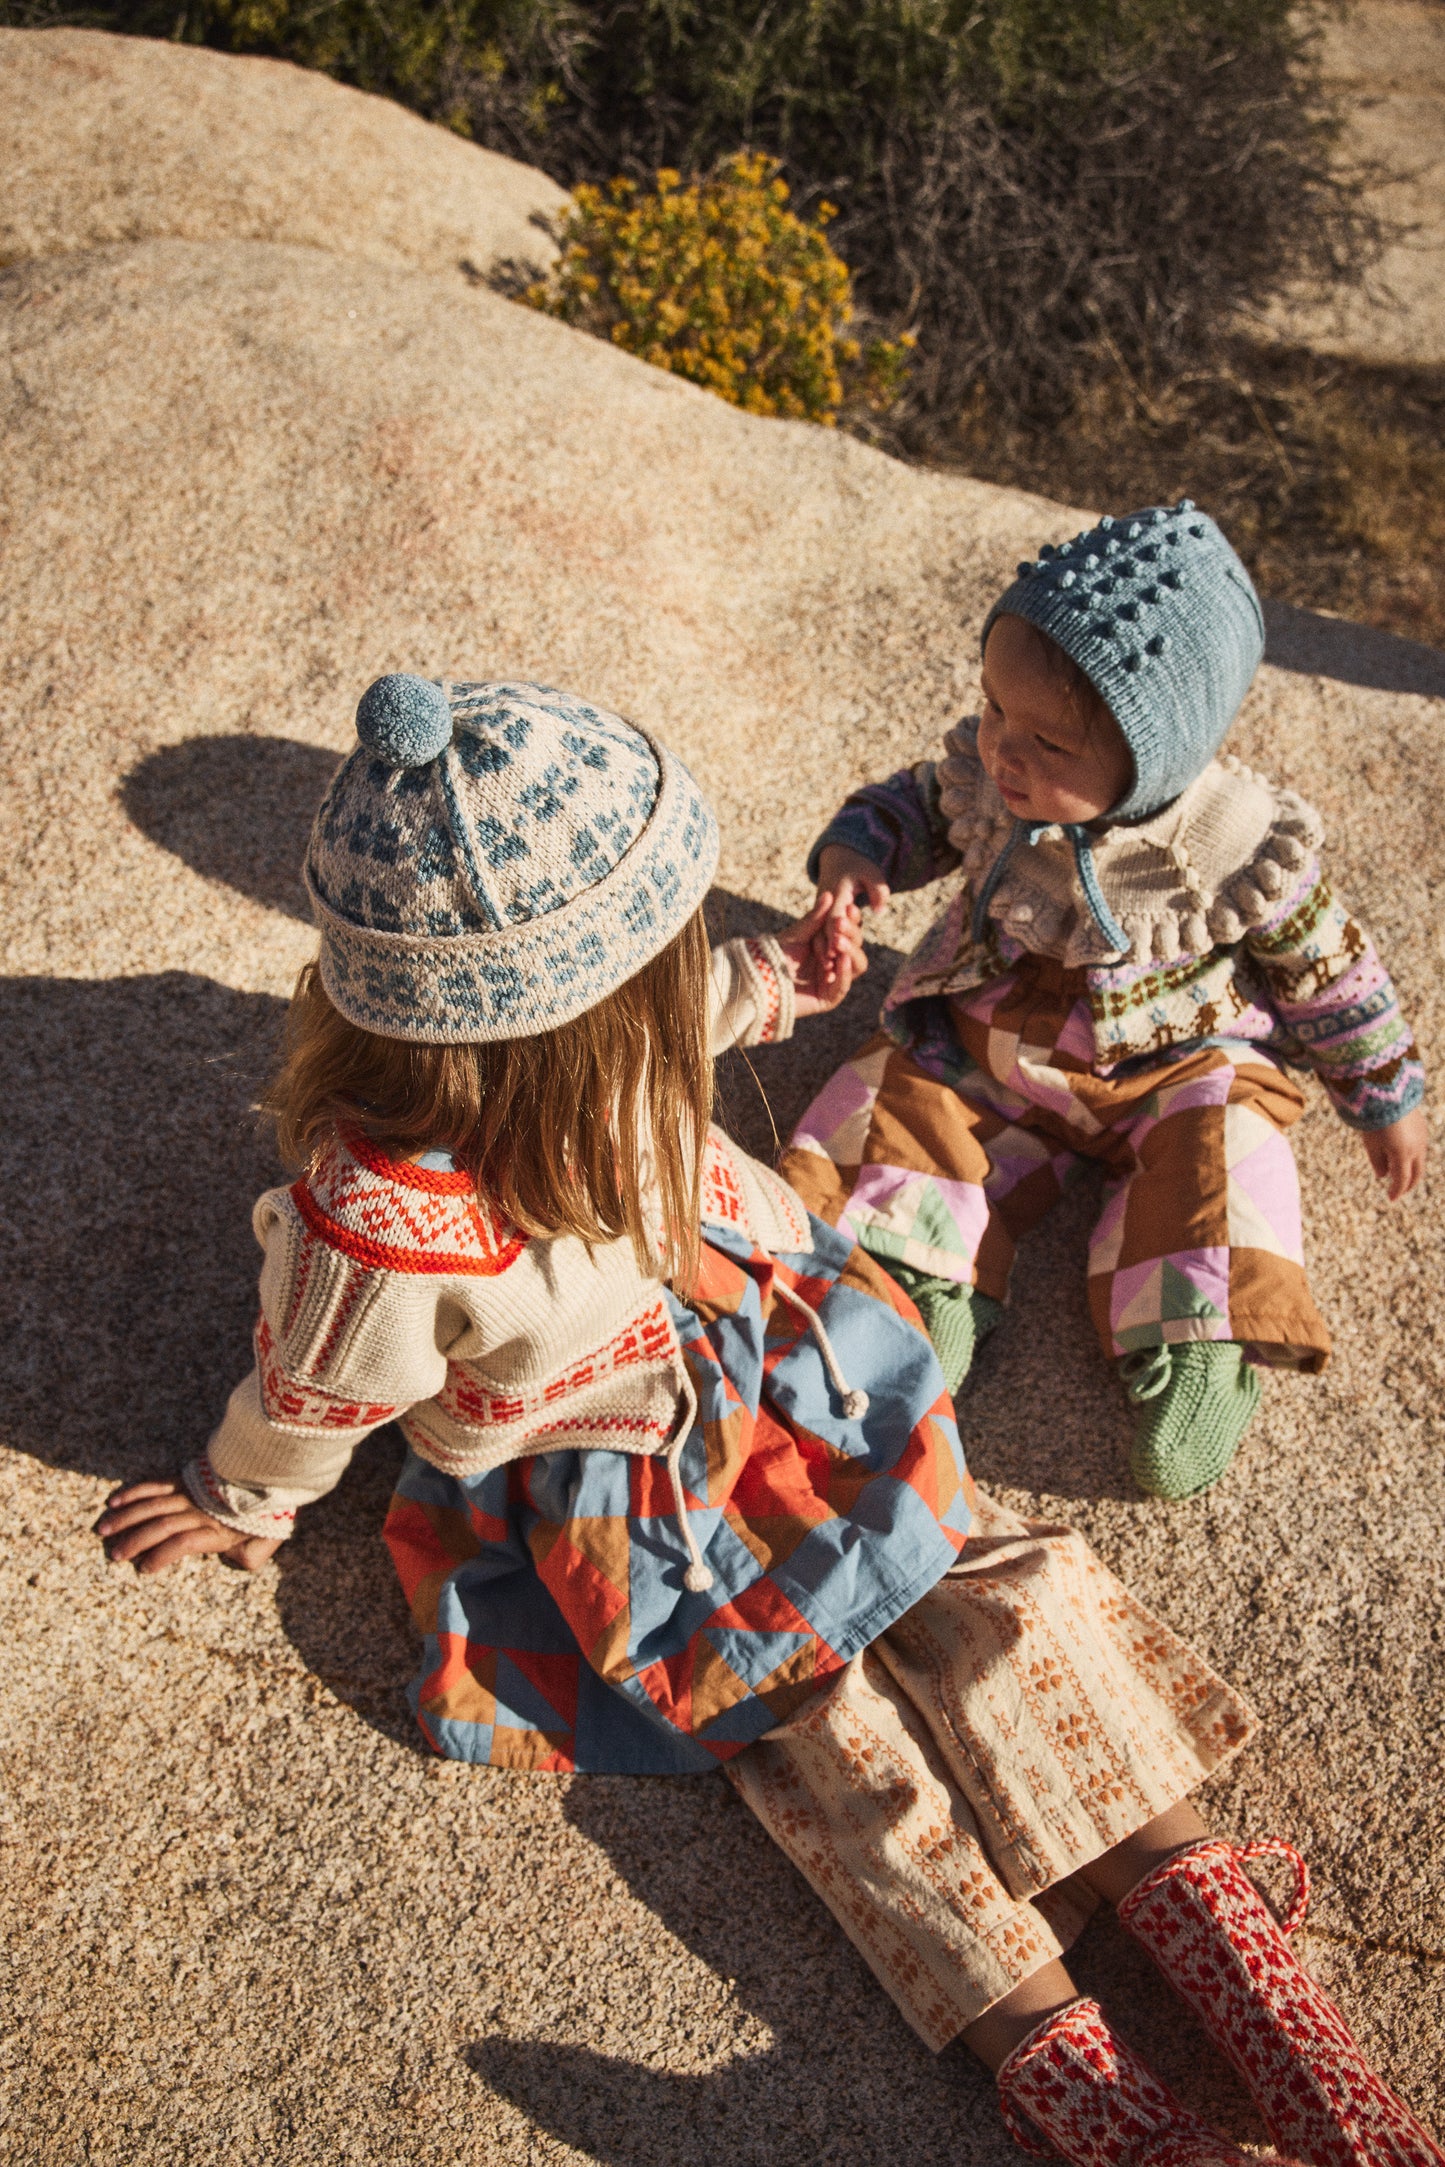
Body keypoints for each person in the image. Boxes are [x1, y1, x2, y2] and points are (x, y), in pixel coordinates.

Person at [96, 676, 1440, 2166]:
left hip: (669, 1448)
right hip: (720, 1406)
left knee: (820, 1742)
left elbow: (329, 1368)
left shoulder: (443, 1150)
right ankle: (1249, 1984)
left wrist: (775, 982)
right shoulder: (429, 1188)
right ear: (605, 999)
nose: (686, 974)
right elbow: (318, 1390)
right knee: (982, 1601)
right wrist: (240, 1491)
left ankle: (1093, 2091)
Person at [797, 503, 1427, 1499]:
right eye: (994, 707)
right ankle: (919, 1282)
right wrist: (853, 858)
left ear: (1157, 757)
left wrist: (1382, 1093)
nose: (1002, 750)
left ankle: (1199, 1333)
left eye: (1046, 742)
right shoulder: (986, 780)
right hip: (997, 1031)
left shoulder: (1233, 844)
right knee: (904, 1092)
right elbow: (903, 805)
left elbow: (1331, 972)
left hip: (1168, 1060)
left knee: (1225, 1140)